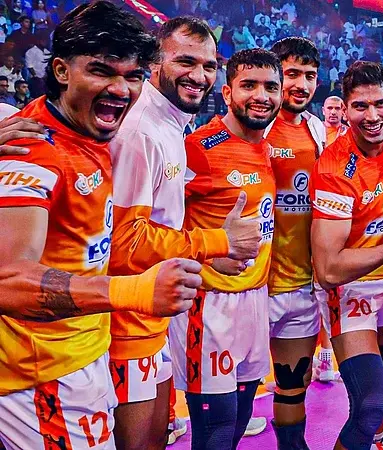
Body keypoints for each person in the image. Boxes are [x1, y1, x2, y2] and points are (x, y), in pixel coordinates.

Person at [0, 3, 201, 449]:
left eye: (133, 76)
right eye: (101, 71)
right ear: (61, 70)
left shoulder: (90, 132)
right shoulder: (34, 151)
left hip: (85, 352)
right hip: (44, 375)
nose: (120, 89)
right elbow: (7, 279)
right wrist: (134, 291)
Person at [108, 17, 260, 449]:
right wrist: (216, 242)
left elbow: (163, 223)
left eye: (209, 65)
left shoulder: (170, 123)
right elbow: (123, 242)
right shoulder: (140, 132)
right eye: (186, 62)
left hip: (153, 315)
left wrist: (210, 252)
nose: (199, 75)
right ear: (155, 62)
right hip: (126, 323)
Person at [170, 47, 282, 450]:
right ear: (227, 91)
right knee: (215, 431)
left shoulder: (266, 146)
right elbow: (157, 221)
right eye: (249, 85)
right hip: (208, 304)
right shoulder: (198, 147)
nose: (261, 96)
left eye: (271, 87)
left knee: (238, 422)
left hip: (255, 299)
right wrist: (208, 252)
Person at [311, 61, 383, 450]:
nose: (372, 116)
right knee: (369, 404)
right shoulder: (334, 169)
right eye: (360, 106)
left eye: (380, 104)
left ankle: (375, 441)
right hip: (351, 291)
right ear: (345, 109)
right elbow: (328, 270)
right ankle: (369, 434)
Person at [262, 36, 327, 447]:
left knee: (293, 383)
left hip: (302, 284)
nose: (301, 85)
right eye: (292, 74)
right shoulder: (256, 127)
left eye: (309, 76)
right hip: (254, 287)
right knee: (236, 390)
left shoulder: (317, 130)